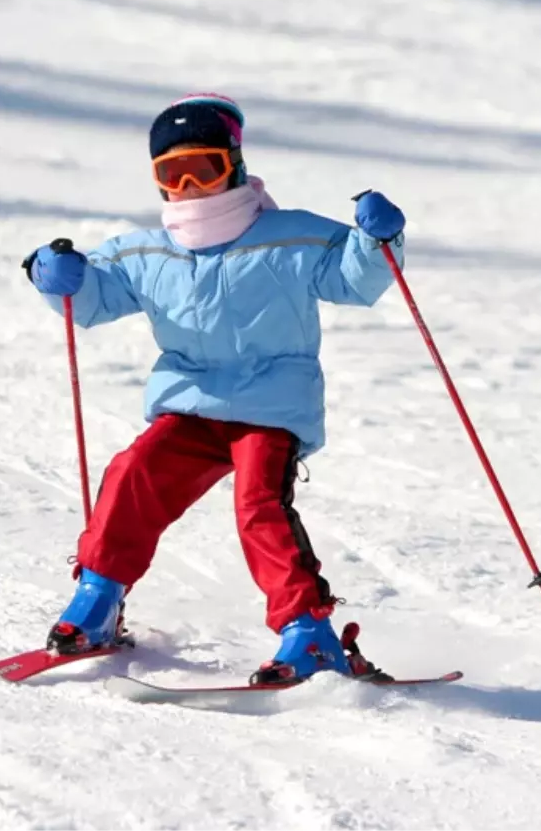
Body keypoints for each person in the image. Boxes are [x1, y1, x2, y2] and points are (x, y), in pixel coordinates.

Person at [21, 93, 406, 684]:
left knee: (259, 504)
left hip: (270, 404)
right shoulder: (147, 251)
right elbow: (94, 295)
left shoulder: (289, 238)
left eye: (204, 168)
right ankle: (97, 600)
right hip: (192, 404)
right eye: (171, 174)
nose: (190, 186)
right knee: (133, 472)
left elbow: (352, 280)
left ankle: (308, 631)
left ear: (233, 165)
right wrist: (59, 277)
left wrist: (376, 242)